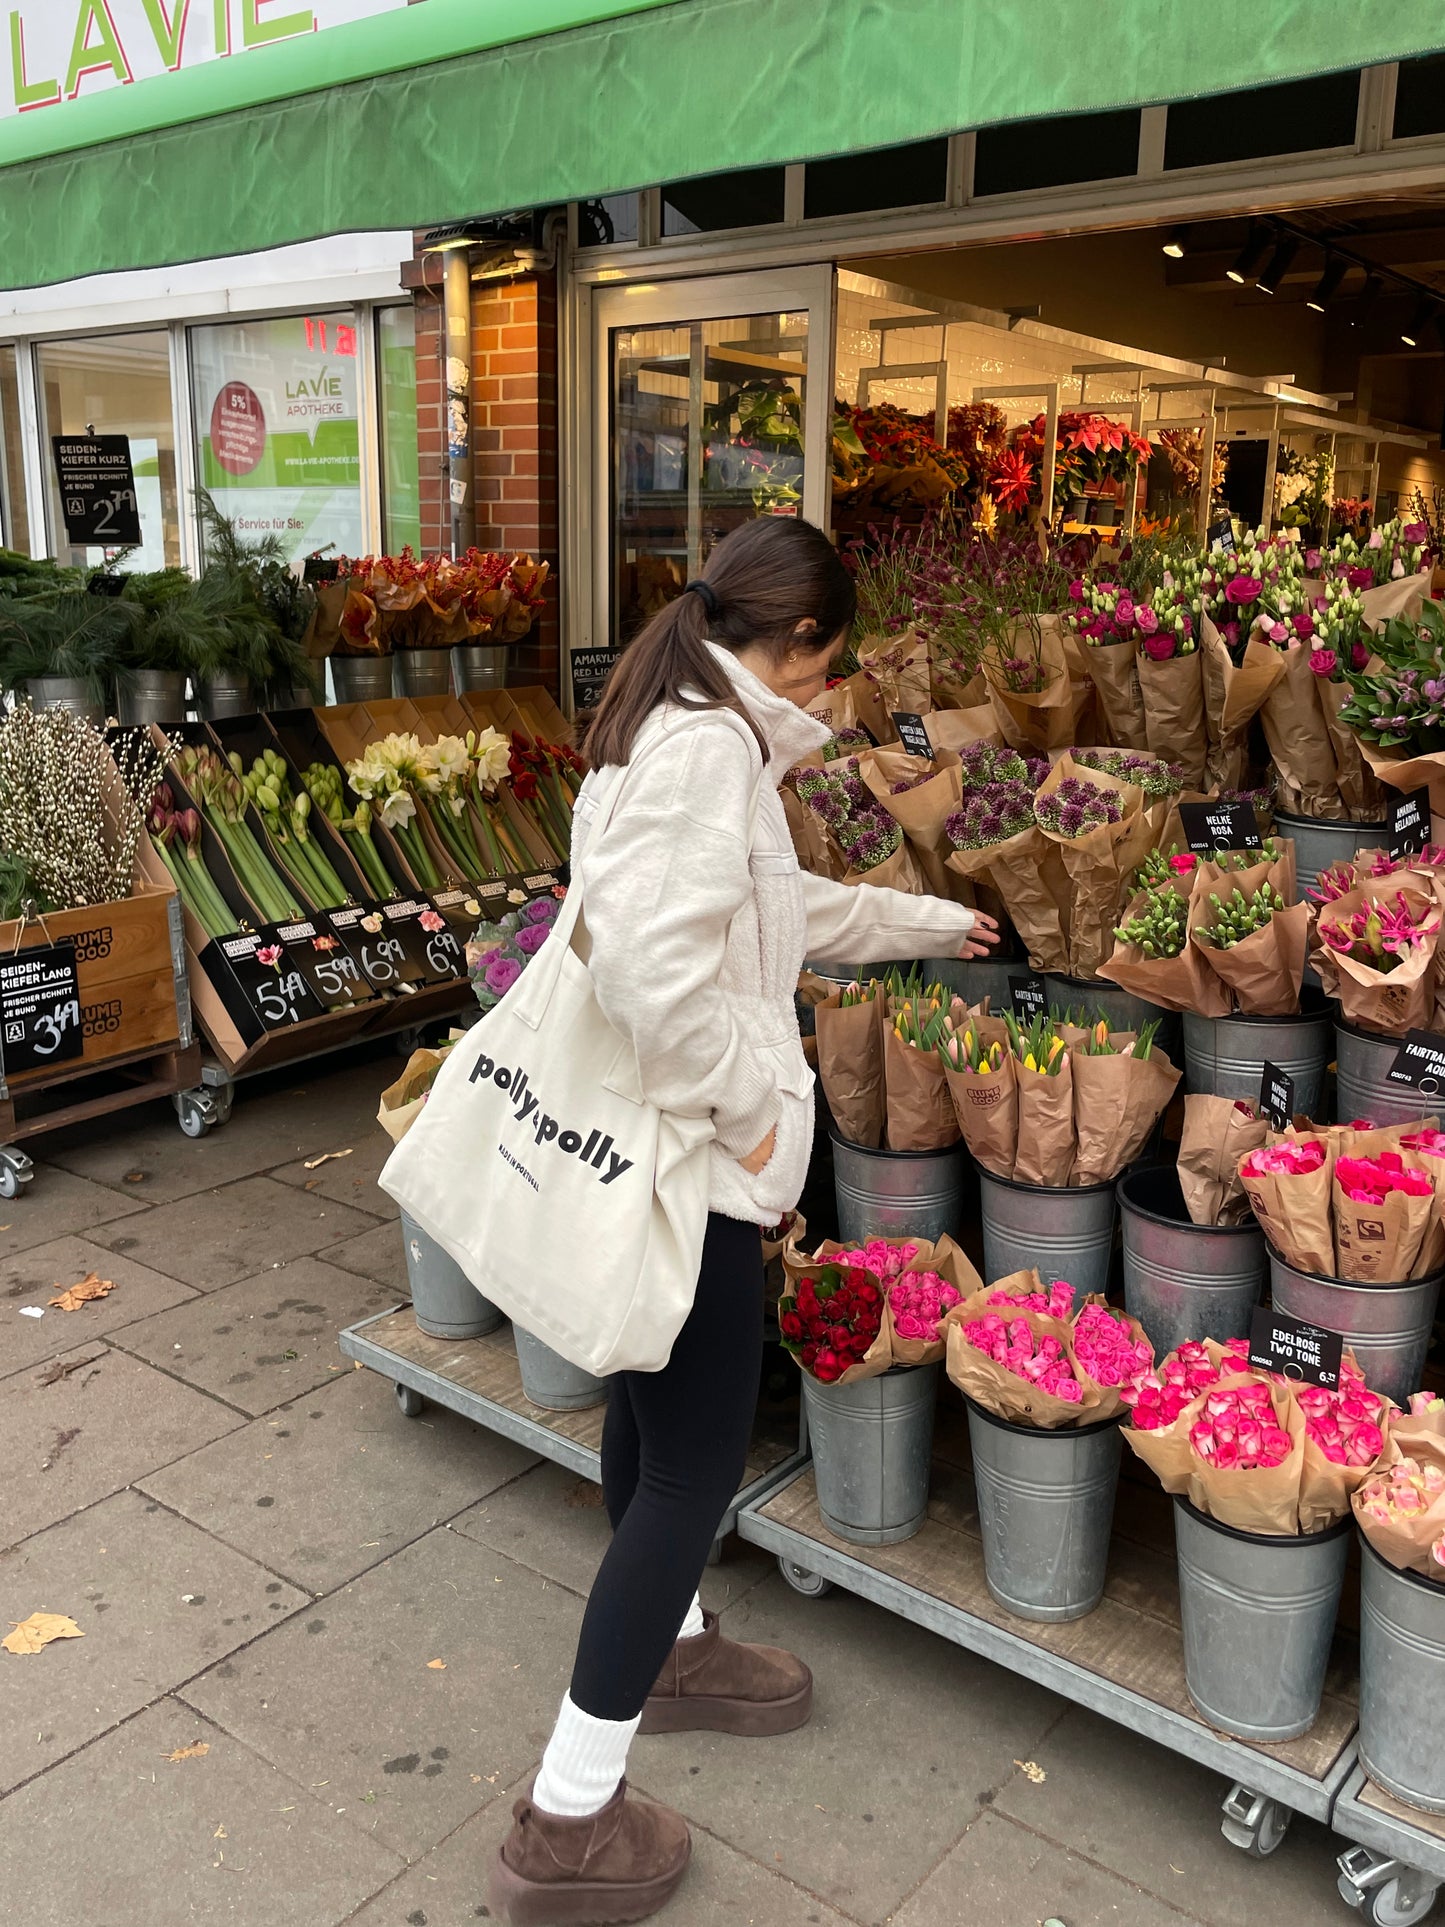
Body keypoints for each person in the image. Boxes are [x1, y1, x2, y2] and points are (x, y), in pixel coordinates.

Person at [491, 517, 997, 1925]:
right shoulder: (710, 755)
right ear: (805, 646)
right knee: (689, 1471)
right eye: (842, 664)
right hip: (696, 1170)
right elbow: (656, 982)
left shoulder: (693, 723)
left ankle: (675, 1644)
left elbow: (757, 919)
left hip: (676, 1165)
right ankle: (566, 1816)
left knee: (651, 1430)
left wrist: (922, 923)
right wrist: (754, 1122)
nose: (842, 696)